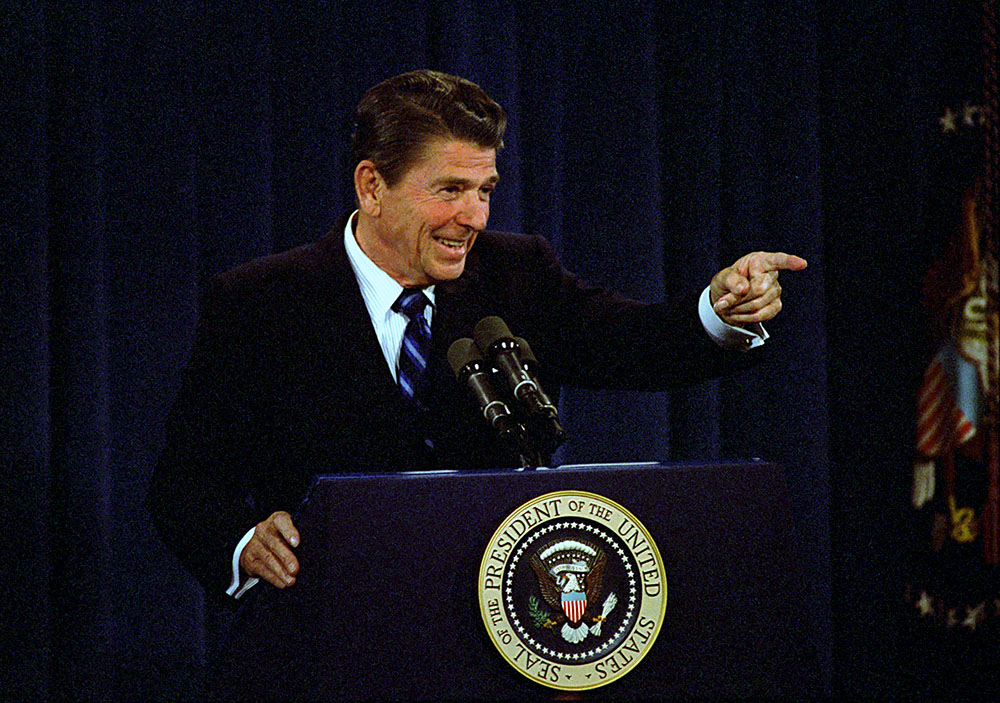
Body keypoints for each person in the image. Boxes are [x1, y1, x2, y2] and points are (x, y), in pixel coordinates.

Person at [146, 69, 806, 603]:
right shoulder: (260, 301)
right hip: (335, 625)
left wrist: (721, 310)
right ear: (372, 186)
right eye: (451, 189)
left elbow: (634, 343)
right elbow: (184, 483)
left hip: (501, 621)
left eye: (485, 189)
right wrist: (243, 540)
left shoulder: (519, 273)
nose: (474, 217)